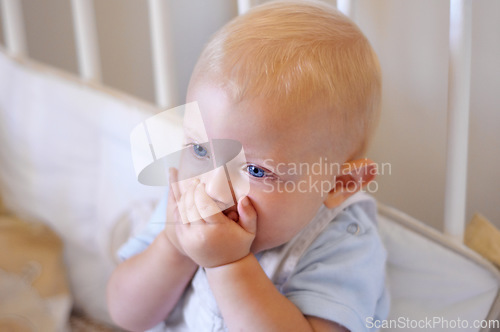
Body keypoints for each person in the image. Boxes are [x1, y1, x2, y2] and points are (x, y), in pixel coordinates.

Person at [107, 1, 389, 331]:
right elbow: (126, 315)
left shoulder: (344, 244)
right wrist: (173, 246)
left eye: (256, 170)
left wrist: (230, 265)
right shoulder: (183, 204)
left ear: (339, 183)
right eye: (199, 149)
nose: (213, 192)